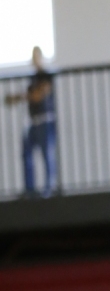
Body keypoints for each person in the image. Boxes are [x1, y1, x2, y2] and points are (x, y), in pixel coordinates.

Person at [4, 46, 58, 197]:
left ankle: (49, 188)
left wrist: (20, 97)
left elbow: (38, 95)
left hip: (45, 122)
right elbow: (30, 95)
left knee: (47, 154)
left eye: (36, 56)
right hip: (33, 123)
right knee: (26, 153)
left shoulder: (46, 76)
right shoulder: (32, 80)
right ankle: (29, 189)